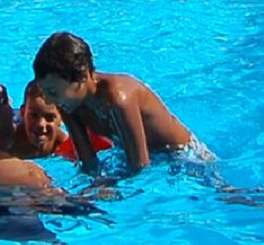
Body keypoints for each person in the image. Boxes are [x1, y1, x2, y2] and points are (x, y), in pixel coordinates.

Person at [30, 31, 196, 175]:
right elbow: (88, 164)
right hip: (134, 157)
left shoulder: (119, 99)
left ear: (83, 75)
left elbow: (140, 167)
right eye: (46, 93)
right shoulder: (67, 104)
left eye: (53, 92)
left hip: (182, 154)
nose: (50, 100)